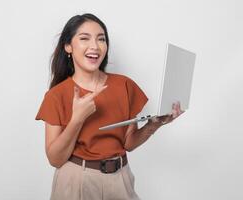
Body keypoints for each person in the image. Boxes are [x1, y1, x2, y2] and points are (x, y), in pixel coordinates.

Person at [35, 13, 184, 200]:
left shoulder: (124, 85)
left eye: (101, 39)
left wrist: (154, 125)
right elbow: (55, 159)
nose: (95, 46)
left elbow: (129, 143)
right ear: (68, 46)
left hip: (119, 178)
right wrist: (77, 119)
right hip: (76, 180)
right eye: (84, 38)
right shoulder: (56, 95)